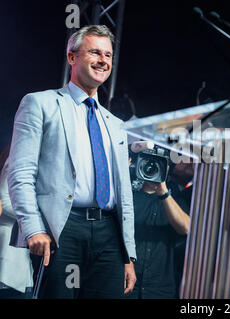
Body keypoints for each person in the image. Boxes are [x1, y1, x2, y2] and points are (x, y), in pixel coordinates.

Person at [7, 25, 136, 298]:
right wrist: (33, 229)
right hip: (61, 230)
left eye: (108, 55)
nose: (103, 60)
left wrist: (128, 254)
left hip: (109, 232)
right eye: (95, 52)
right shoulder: (40, 103)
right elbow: (21, 172)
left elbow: (125, 194)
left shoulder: (116, 124)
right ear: (72, 57)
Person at [127, 162, 193, 299]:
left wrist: (163, 191)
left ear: (168, 168)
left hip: (161, 288)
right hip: (128, 284)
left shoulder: (178, 203)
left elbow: (186, 228)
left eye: (158, 163)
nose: (153, 168)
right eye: (148, 164)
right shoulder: (128, 199)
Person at [0, 158, 34, 299]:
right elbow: (4, 201)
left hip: (27, 248)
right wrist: (36, 218)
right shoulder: (17, 159)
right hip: (11, 244)